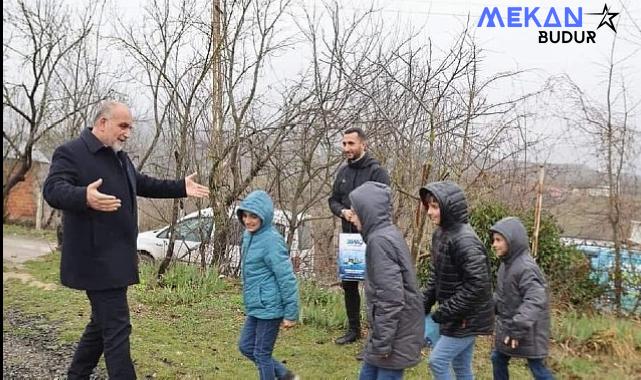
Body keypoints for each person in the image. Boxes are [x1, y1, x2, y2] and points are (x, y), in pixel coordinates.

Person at [43, 101, 210, 379]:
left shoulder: (119, 156)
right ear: (102, 123)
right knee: (118, 328)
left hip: (117, 259)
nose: (127, 133)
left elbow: (142, 183)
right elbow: (53, 189)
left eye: (130, 127)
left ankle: (76, 375)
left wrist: (181, 186)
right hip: (94, 261)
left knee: (101, 325)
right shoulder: (71, 153)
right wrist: (83, 196)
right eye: (123, 126)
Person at [349, 181, 425, 380]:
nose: (352, 217)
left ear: (367, 212)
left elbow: (390, 299)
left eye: (355, 212)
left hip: (395, 336)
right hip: (388, 334)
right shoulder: (386, 234)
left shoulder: (379, 242)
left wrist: (382, 343)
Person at [419, 181, 494, 380]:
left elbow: (478, 286)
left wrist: (443, 312)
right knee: (461, 367)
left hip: (466, 319)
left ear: (449, 207)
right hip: (456, 316)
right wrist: (423, 304)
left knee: (438, 361)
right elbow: (436, 275)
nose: (429, 212)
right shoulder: (440, 234)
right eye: (429, 206)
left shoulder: (465, 241)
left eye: (435, 207)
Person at [328, 127, 390, 346]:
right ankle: (353, 330)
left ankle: (378, 334)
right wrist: (342, 212)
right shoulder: (343, 173)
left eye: (351, 144)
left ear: (363, 144)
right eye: (344, 144)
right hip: (349, 239)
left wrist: (362, 215)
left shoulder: (376, 172)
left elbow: (384, 203)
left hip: (372, 238)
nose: (346, 148)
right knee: (349, 284)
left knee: (375, 288)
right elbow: (333, 200)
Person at [236, 190, 300, 380]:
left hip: (270, 306)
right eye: (245, 215)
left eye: (253, 216)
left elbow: (286, 277)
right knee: (246, 346)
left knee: (262, 354)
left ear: (264, 215)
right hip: (257, 305)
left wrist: (291, 313)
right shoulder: (249, 235)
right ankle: (285, 375)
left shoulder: (272, 240)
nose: (248, 221)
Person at [489, 217, 554, 380]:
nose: (494, 244)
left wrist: (516, 329)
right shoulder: (506, 265)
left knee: (538, 368)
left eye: (498, 240)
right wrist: (486, 306)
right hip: (513, 327)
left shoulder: (525, 267)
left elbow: (535, 300)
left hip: (529, 329)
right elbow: (504, 297)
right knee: (498, 358)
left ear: (512, 241)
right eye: (493, 240)